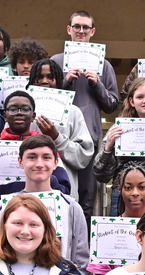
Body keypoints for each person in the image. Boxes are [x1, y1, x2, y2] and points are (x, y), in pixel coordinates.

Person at [0, 135, 90, 275]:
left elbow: (81, 261)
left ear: (55, 163)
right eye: (32, 157)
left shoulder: (72, 208)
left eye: (46, 157)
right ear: (20, 162)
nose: (39, 164)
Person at [51, 10, 121, 217]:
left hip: (89, 140)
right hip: (57, 136)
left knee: (87, 197)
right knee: (57, 190)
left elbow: (112, 105)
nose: (81, 31)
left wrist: (97, 84)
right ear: (69, 29)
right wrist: (65, 82)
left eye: (85, 27)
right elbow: (45, 98)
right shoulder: (55, 61)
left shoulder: (104, 65)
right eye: (77, 27)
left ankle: (84, 238)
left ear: (93, 31)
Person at [0, 91, 72, 236]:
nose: (19, 113)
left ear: (33, 116)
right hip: (5, 231)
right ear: (5, 115)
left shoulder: (48, 149)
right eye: (13, 109)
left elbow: (64, 190)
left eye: (25, 109)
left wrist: (45, 177)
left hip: (45, 229)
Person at [94, 77, 145, 213]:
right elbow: (101, 175)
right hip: (123, 196)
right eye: (140, 97)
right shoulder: (118, 130)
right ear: (132, 101)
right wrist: (108, 148)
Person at [26, 59, 94, 202]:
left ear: (58, 80)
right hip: (26, 192)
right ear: (32, 80)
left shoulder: (73, 112)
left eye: (50, 77)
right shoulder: (22, 111)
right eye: (39, 77)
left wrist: (56, 137)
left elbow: (84, 155)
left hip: (63, 194)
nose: (45, 81)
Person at [85, 161, 145, 275]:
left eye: (142, 187)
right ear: (119, 190)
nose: (135, 193)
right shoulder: (106, 229)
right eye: (128, 188)